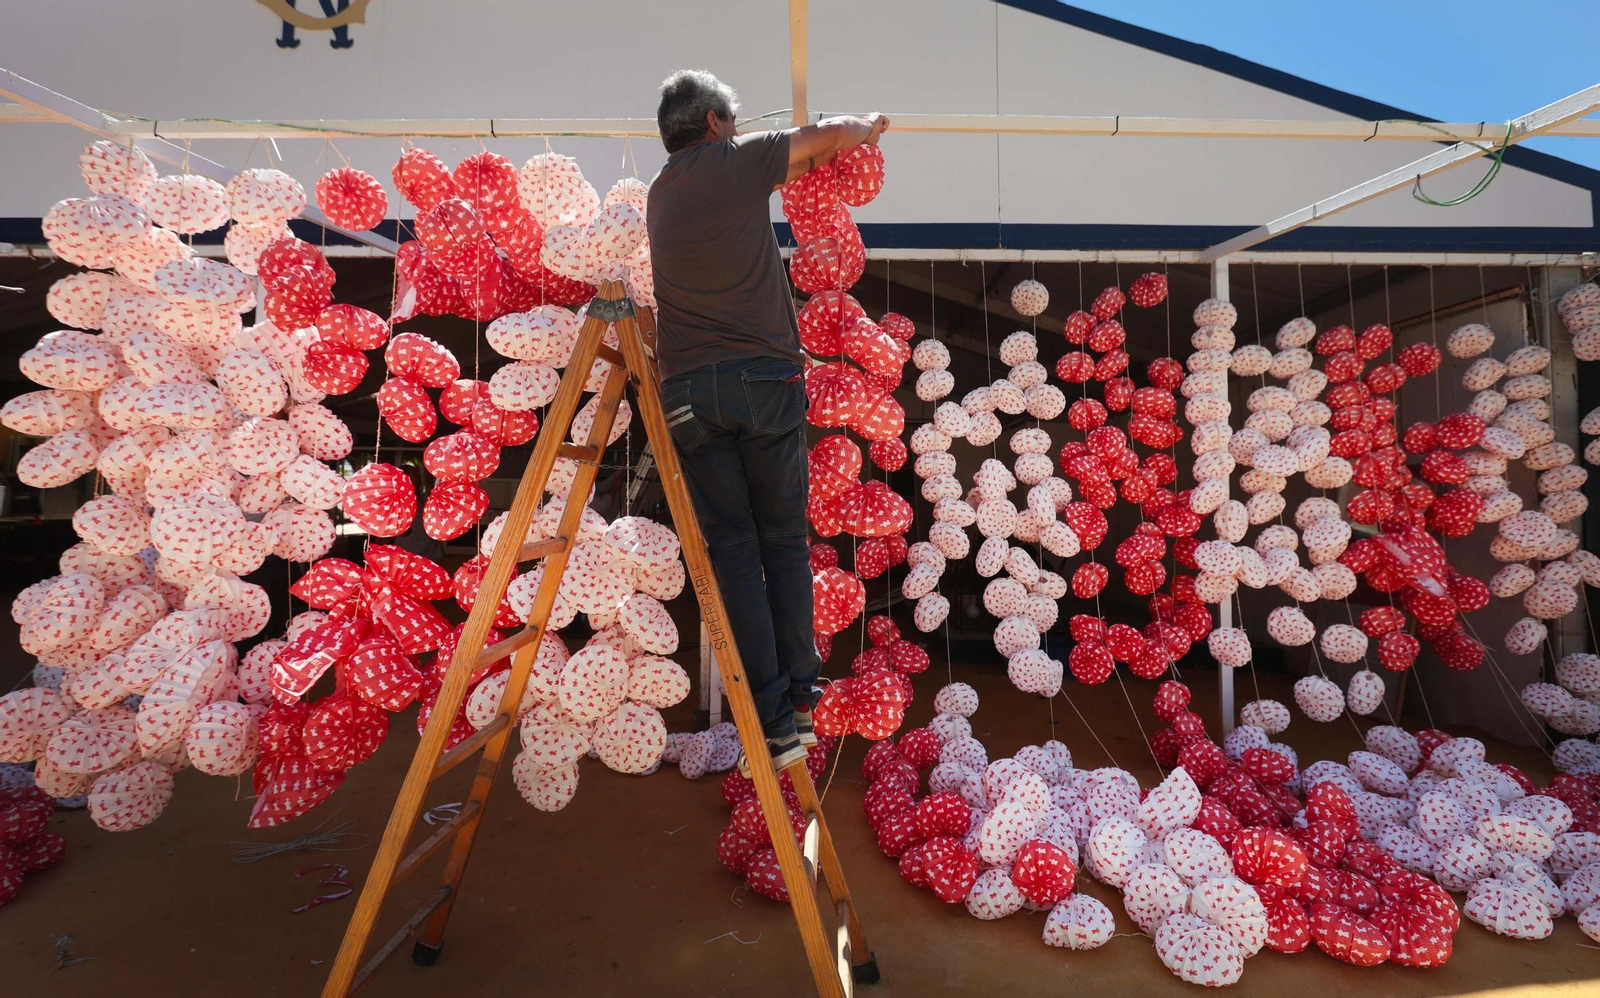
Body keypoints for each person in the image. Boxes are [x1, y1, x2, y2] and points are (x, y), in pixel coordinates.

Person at [647, 69, 888, 774]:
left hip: (689, 390)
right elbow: (828, 138)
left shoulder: (660, 193)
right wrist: (867, 125)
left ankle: (775, 720)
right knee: (783, 542)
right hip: (761, 377)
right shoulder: (733, 160)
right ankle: (803, 699)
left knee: (734, 553)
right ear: (718, 121)